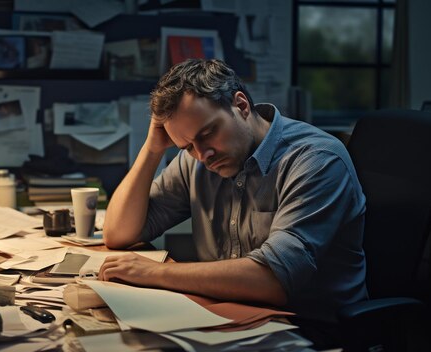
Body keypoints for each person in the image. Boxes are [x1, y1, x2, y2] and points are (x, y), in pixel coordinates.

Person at [99, 59, 368, 337]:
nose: (203, 155)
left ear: (241, 105)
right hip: (230, 317)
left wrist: (153, 274)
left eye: (208, 133)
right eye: (188, 145)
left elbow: (272, 280)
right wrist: (152, 149)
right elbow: (119, 234)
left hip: (310, 331)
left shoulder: (316, 160)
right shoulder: (197, 160)